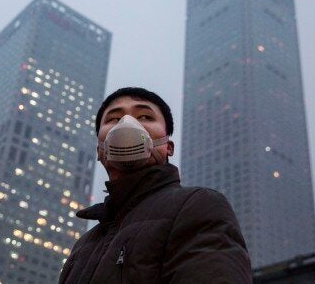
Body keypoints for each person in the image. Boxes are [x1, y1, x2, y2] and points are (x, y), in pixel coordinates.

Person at [59, 87, 252, 283]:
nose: (127, 124)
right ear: (100, 150)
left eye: (144, 117)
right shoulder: (83, 245)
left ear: (168, 147)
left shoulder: (197, 205)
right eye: (113, 119)